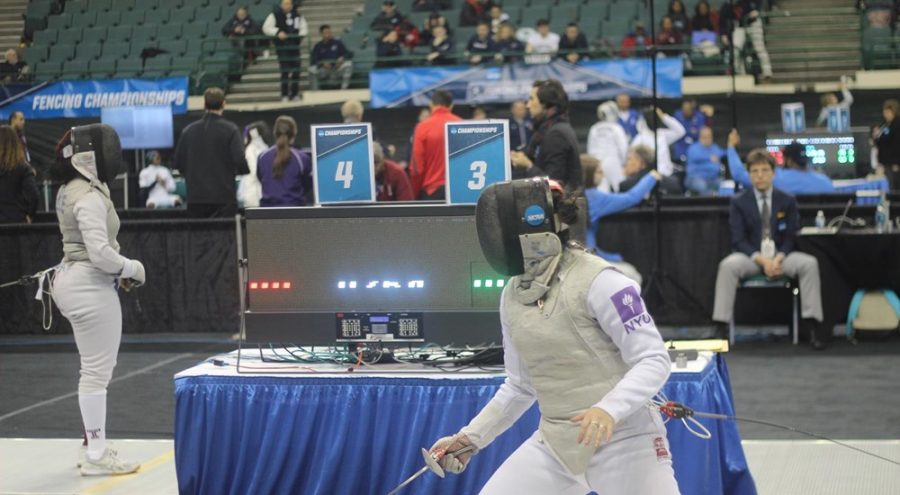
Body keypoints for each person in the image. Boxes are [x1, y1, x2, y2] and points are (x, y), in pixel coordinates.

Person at [428, 177, 679, 495]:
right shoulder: (513, 295)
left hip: (626, 440)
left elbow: (653, 359)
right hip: (557, 445)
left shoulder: (602, 282)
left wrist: (608, 408)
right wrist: (471, 438)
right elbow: (520, 387)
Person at [49, 124, 146, 475]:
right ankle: (96, 456)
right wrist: (133, 267)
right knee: (95, 375)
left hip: (76, 279)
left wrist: (117, 271)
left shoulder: (72, 188)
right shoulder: (88, 196)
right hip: (87, 283)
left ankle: (92, 446)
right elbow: (100, 253)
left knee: (92, 371)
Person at [712, 147, 827, 349]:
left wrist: (778, 259)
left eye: (765, 170)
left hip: (782, 257)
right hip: (752, 258)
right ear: (749, 175)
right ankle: (720, 327)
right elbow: (738, 240)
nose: (760, 176)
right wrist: (763, 261)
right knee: (727, 266)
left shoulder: (787, 200)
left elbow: (792, 236)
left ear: (773, 173)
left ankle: (813, 327)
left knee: (809, 264)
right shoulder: (739, 202)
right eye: (755, 171)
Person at [582, 154, 659, 284]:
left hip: (579, 259)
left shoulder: (573, 193)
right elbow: (631, 198)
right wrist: (651, 177)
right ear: (589, 175)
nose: (603, 175)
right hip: (588, 261)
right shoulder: (594, 198)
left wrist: (612, 257)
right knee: (634, 277)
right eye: (599, 172)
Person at [173, 87, 249, 217]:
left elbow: (179, 164)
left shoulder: (188, 131)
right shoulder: (231, 130)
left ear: (204, 104)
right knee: (225, 237)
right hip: (224, 199)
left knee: (198, 236)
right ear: (224, 104)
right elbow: (240, 162)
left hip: (195, 199)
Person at [510, 80, 582, 190]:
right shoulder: (548, 130)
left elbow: (554, 184)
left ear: (545, 103)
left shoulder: (556, 134)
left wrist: (528, 166)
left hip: (563, 206)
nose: (527, 106)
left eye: (531, 99)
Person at [726, 130, 835, 194]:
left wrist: (731, 146)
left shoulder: (775, 178)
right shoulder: (826, 182)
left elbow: (738, 174)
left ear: (789, 161)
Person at [409, 90, 461, 199]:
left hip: (432, 192)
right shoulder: (462, 124)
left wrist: (414, 195)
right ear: (451, 106)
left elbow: (417, 169)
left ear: (431, 105)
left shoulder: (422, 127)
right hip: (458, 190)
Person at [256, 116, 312, 207]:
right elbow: (307, 185)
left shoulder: (262, 157)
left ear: (274, 133)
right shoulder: (302, 158)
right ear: (294, 133)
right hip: (295, 211)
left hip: (267, 213)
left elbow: (261, 179)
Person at [262, 0, 308, 102]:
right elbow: (266, 28)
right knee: (285, 71)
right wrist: (278, 32)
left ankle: (295, 93)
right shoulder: (275, 15)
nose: (287, 6)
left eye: (289, 4)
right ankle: (285, 94)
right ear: (281, 5)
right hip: (282, 48)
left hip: (294, 47)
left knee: (296, 71)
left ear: (292, 5)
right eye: (285, 4)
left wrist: (299, 36)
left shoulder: (297, 15)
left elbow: (304, 29)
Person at [721, 0, 773, 81]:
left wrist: (757, 9)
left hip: (753, 23)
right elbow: (723, 20)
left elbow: (761, 3)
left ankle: (767, 72)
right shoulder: (727, 6)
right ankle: (736, 72)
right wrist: (723, 34)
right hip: (740, 25)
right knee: (735, 48)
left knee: (759, 48)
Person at [630, 107, 686, 177]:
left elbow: (681, 131)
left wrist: (663, 117)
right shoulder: (639, 139)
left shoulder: (662, 134)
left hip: (666, 175)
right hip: (649, 176)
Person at [587, 101, 630, 192]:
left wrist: (594, 164)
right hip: (613, 161)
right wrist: (623, 163)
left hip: (598, 162)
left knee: (602, 189)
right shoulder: (616, 128)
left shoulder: (594, 128)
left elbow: (590, 149)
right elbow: (623, 148)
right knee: (619, 187)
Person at [0, 125, 39, 223]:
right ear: (15, 143)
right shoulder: (23, 168)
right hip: (17, 224)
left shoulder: (23, 168)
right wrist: (29, 215)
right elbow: (34, 196)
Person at [238, 121, 272, 208]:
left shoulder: (264, 148)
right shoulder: (251, 150)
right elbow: (254, 171)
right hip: (253, 192)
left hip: (262, 190)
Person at [309, 25, 353, 90]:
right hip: (325, 70)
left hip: (337, 68)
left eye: (329, 32)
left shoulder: (337, 43)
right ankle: (315, 92)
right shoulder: (318, 46)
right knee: (312, 69)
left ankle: (344, 89)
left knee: (349, 64)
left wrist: (342, 58)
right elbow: (313, 60)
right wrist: (322, 64)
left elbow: (349, 53)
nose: (328, 35)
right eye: (325, 33)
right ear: (321, 34)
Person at [685, 127, 725, 195]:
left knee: (725, 185)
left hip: (713, 179)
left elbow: (724, 153)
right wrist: (709, 158)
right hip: (695, 178)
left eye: (709, 136)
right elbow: (695, 157)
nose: (707, 139)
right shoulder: (693, 148)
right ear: (700, 137)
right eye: (705, 137)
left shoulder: (715, 148)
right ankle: (710, 204)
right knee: (702, 186)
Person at [671, 99, 710, 164]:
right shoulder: (677, 115)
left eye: (688, 109)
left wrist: (689, 132)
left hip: (695, 143)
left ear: (692, 110)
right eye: (684, 109)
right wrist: (690, 131)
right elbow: (676, 133)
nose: (685, 111)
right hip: (681, 143)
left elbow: (701, 133)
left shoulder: (699, 116)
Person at [875, 99, 900, 189]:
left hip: (894, 162)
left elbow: (897, 145)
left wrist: (897, 163)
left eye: (888, 112)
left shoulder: (897, 125)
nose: (885, 115)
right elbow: (880, 141)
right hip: (886, 162)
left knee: (895, 185)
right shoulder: (886, 125)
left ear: (894, 112)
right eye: (885, 112)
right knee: (889, 185)